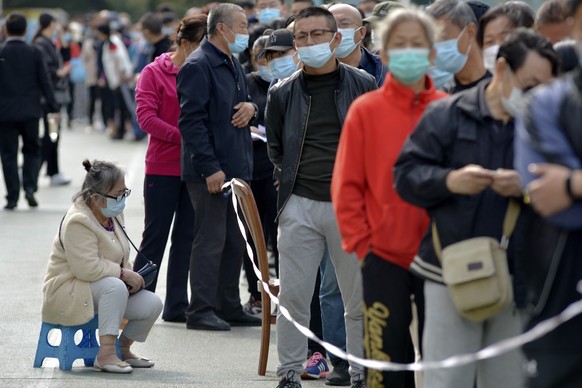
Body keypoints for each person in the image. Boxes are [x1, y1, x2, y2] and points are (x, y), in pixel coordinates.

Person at [393, 29, 559, 388]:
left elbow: (564, 190)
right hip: (449, 271)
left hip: (520, 278)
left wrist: (527, 189)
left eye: (544, 88)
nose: (536, 96)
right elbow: (405, 176)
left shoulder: (546, 125)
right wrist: (449, 181)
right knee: (446, 379)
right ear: (501, 69)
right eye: (529, 85)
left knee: (508, 380)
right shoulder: (448, 113)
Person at [333, 8, 448, 388]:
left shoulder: (448, 109)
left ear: (432, 53)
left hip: (441, 256)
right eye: (400, 45)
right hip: (382, 255)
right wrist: (364, 246)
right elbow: (347, 185)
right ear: (383, 52)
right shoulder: (366, 110)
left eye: (418, 44)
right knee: (383, 364)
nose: (408, 52)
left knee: (440, 360)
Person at [265, 6, 376, 388]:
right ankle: (289, 373)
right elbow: (276, 149)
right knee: (294, 297)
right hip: (300, 204)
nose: (309, 43)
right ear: (294, 44)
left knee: (357, 299)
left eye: (316, 35)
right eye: (301, 37)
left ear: (335, 39)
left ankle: (361, 372)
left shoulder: (363, 84)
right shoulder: (281, 92)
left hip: (351, 206)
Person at [177, 3, 261, 332]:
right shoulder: (200, 64)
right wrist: (210, 167)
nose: (245, 31)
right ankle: (200, 309)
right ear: (222, 29)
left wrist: (252, 108)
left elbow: (241, 105)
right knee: (210, 239)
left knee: (234, 240)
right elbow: (192, 122)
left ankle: (227, 304)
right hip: (211, 171)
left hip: (237, 165)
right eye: (240, 25)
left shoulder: (231, 62)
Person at [513, 1, 582, 385]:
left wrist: (573, 184)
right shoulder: (547, 105)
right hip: (563, 282)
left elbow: (565, 194)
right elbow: (551, 202)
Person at [42, 159, 163, 374]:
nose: (122, 199)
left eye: (125, 193)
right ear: (96, 198)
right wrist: (124, 274)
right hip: (69, 291)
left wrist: (132, 278)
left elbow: (120, 256)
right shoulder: (77, 221)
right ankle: (105, 354)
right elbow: (86, 269)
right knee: (114, 286)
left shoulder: (112, 213)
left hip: (103, 291)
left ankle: (122, 349)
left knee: (152, 303)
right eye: (118, 194)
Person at [133, 14, 207, 324]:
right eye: (204, 44)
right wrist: (186, 136)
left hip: (195, 169)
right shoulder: (154, 72)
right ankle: (135, 302)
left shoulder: (205, 71)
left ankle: (177, 304)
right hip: (162, 167)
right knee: (155, 236)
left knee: (187, 237)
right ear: (186, 43)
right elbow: (146, 118)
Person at [0, 13, 58, 210]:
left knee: (8, 154)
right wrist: (53, 105)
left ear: (6, 29)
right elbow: (45, 81)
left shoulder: (1, 52)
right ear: (26, 30)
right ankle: (30, 187)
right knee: (32, 149)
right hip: (31, 111)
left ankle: (12, 197)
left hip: (5, 113)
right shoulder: (34, 52)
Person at [33, 13, 72, 187]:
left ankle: (52, 170)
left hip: (52, 95)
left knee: (53, 133)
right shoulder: (42, 44)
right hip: (49, 96)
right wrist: (60, 73)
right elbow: (47, 71)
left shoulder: (48, 42)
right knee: (52, 134)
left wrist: (62, 39)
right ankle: (37, 169)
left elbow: (65, 56)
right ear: (51, 23)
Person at [428, 0, 490, 93]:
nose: (436, 48)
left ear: (470, 32)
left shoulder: (501, 88)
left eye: (442, 37)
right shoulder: (442, 100)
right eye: (432, 41)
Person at [330, 3, 387, 86]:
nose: (337, 31)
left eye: (345, 24)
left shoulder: (385, 69)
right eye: (331, 25)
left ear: (361, 33)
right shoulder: (314, 72)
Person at [95, 22, 133, 140]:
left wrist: (121, 73)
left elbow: (119, 58)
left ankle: (122, 131)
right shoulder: (108, 42)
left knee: (122, 106)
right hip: (115, 79)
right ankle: (120, 130)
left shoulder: (112, 43)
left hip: (119, 79)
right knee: (119, 106)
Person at [477, 3, 535, 74]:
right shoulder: (482, 85)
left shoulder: (547, 82)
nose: (496, 48)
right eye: (489, 42)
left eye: (505, 39)